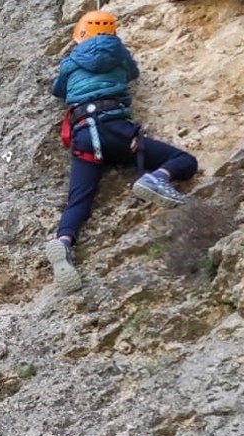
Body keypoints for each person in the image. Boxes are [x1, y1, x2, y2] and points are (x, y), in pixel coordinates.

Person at [47, 10, 199, 292]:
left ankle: (65, 242)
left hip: (84, 135)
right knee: (185, 160)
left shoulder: (70, 62)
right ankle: (157, 177)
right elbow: (133, 73)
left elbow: (57, 90)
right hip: (117, 130)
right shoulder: (120, 53)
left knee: (78, 200)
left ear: (80, 35)